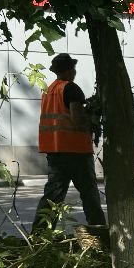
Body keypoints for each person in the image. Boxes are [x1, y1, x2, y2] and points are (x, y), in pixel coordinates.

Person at [32, 53, 107, 233]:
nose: (74, 72)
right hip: (76, 152)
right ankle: (99, 231)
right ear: (68, 70)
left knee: (52, 196)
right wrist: (93, 119)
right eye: (73, 68)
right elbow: (77, 119)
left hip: (55, 152)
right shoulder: (71, 89)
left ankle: (39, 234)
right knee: (89, 195)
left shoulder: (49, 90)